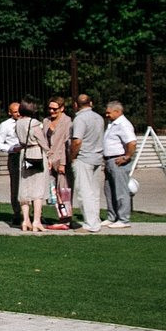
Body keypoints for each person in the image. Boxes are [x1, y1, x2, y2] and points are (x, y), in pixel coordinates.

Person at [68, 93, 107, 232]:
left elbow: (77, 140)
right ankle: (95, 220)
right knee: (94, 192)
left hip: (84, 158)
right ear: (91, 103)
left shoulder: (80, 119)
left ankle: (90, 224)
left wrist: (72, 156)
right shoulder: (99, 118)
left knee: (84, 192)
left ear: (76, 105)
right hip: (97, 157)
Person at [0, 101, 33, 223]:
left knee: (31, 183)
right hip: (15, 156)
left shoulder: (30, 122)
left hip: (30, 156)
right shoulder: (5, 125)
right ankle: (17, 213)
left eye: (20, 111)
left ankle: (35, 213)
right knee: (15, 185)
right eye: (15, 112)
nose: (18, 114)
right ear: (10, 113)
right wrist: (11, 148)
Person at [33, 98, 71, 225]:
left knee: (63, 189)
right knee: (49, 189)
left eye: (54, 109)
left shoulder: (67, 121)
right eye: (50, 108)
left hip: (61, 158)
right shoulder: (46, 121)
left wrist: (63, 163)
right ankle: (48, 215)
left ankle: (65, 218)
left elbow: (66, 143)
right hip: (48, 158)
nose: (51, 111)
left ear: (62, 108)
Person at [102, 100, 139, 228]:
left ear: (117, 111)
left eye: (109, 113)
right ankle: (112, 216)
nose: (106, 115)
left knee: (120, 190)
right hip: (109, 160)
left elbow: (132, 142)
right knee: (109, 190)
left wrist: (127, 156)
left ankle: (124, 219)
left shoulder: (123, 124)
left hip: (118, 161)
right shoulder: (112, 123)